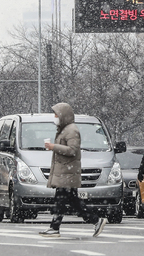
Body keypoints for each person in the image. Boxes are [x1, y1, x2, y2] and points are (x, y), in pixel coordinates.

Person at [39, 102, 106, 238]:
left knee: (64, 200)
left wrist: (54, 146)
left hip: (67, 173)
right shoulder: (64, 129)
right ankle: (93, 220)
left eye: (56, 114)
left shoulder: (71, 130)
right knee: (68, 200)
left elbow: (72, 150)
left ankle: (57, 227)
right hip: (65, 172)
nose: (55, 117)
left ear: (63, 115)